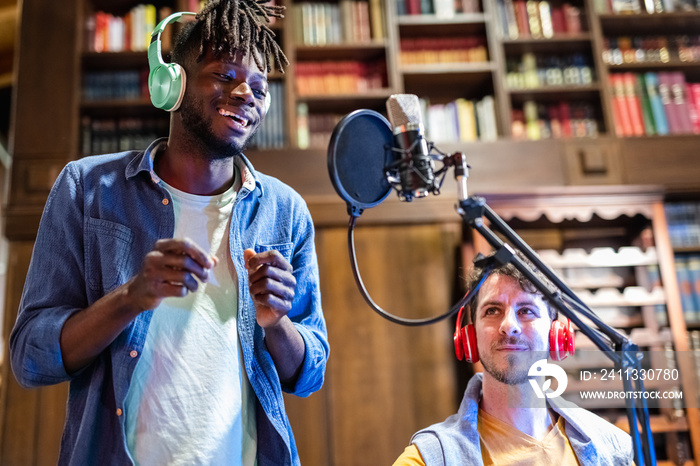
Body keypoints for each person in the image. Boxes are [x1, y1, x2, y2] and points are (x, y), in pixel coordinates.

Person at [9, 1, 329, 464]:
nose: (246, 94)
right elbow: (29, 357)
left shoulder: (285, 212)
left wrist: (277, 323)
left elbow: (310, 371)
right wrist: (131, 297)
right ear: (171, 83)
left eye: (259, 87)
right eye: (224, 75)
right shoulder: (87, 188)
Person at [393, 253, 634, 466]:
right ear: (469, 336)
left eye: (526, 310)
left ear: (557, 334)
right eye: (492, 310)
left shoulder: (611, 449)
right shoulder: (428, 458)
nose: (509, 326)